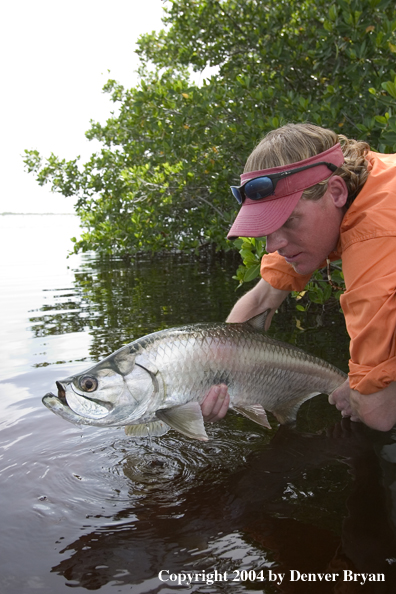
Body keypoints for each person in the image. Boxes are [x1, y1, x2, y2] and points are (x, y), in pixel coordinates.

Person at [201, 123, 396, 432]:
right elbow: (263, 298)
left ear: (336, 192)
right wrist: (210, 378)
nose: (274, 245)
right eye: (267, 226)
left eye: (289, 220)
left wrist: (358, 393)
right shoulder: (362, 176)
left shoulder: (377, 233)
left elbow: (379, 414)